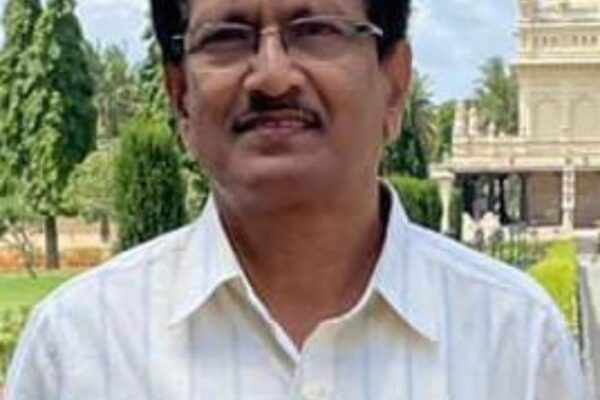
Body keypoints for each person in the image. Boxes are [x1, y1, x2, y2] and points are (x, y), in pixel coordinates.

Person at [6, 0, 588, 398]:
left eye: (315, 29)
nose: (273, 76)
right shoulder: (79, 349)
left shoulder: (514, 340)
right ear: (180, 95)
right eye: (227, 36)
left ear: (394, 83)